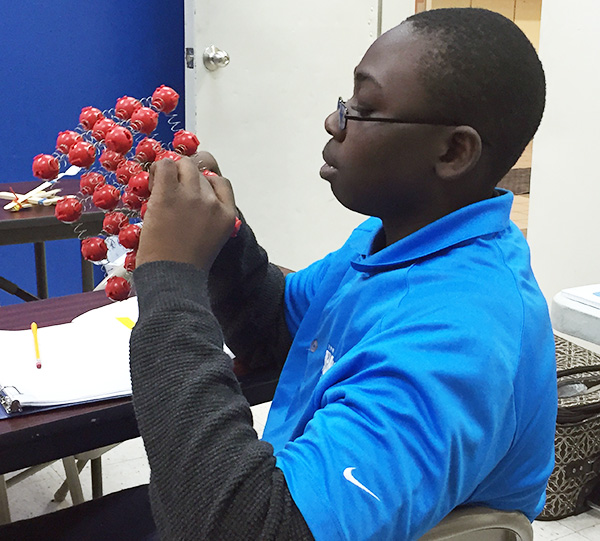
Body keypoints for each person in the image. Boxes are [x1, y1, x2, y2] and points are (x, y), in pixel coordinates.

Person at [129, 7, 556, 541]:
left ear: (452, 150)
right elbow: (282, 327)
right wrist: (222, 238)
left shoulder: (458, 336)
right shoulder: (397, 241)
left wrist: (170, 278)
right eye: (344, 103)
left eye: (364, 108)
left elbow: (252, 528)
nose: (335, 122)